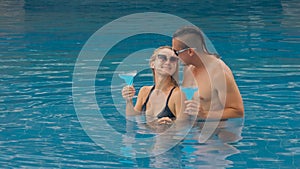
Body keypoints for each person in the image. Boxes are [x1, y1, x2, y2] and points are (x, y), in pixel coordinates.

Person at [172, 26, 244, 120]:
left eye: (176, 52)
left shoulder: (219, 73)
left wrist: (205, 114)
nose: (174, 56)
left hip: (220, 132)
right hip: (196, 129)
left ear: (190, 51)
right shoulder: (188, 68)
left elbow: (237, 111)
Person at [122, 46, 186, 124]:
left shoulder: (177, 94)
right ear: (152, 64)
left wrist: (170, 124)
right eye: (162, 58)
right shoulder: (144, 91)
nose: (168, 62)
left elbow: (184, 125)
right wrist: (129, 100)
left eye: (173, 59)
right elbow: (132, 118)